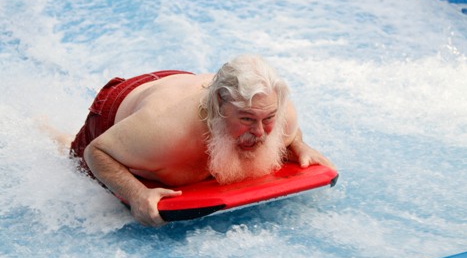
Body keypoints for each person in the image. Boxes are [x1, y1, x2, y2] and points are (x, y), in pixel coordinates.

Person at [70, 55, 335, 226]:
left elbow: (283, 129)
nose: (261, 132)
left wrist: (297, 143)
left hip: (183, 84)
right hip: (122, 105)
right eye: (246, 120)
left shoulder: (277, 110)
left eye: (268, 119)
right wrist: (136, 193)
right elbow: (98, 151)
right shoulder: (164, 129)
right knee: (70, 161)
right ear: (218, 104)